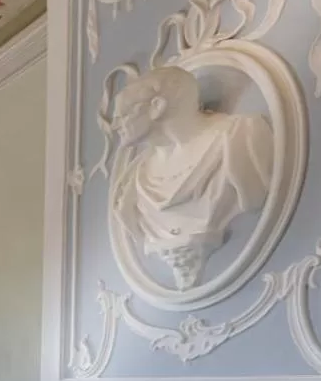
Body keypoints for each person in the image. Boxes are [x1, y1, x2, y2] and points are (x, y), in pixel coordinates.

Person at [110, 65, 273, 290]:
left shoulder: (239, 137)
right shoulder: (133, 182)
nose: (115, 125)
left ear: (157, 107)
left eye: (123, 114)